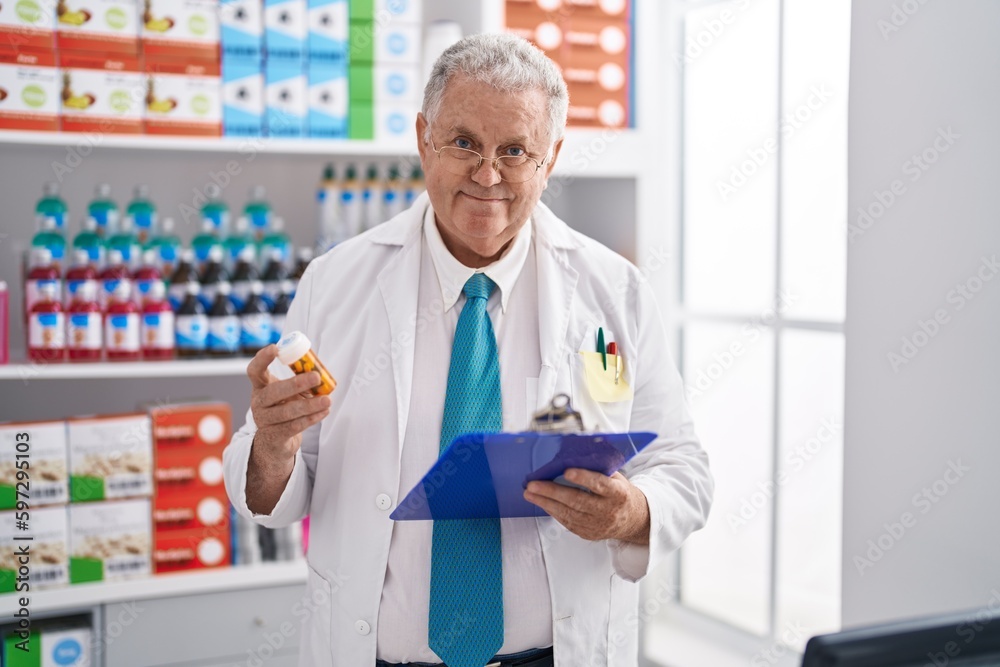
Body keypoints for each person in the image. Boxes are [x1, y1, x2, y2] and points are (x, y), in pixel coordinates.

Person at [223, 33, 713, 667]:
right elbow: (266, 494)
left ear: (551, 158)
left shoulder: (612, 290)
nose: (488, 175)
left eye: (514, 150)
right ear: (424, 137)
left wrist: (632, 513)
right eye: (464, 144)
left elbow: (684, 467)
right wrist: (272, 444)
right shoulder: (335, 282)